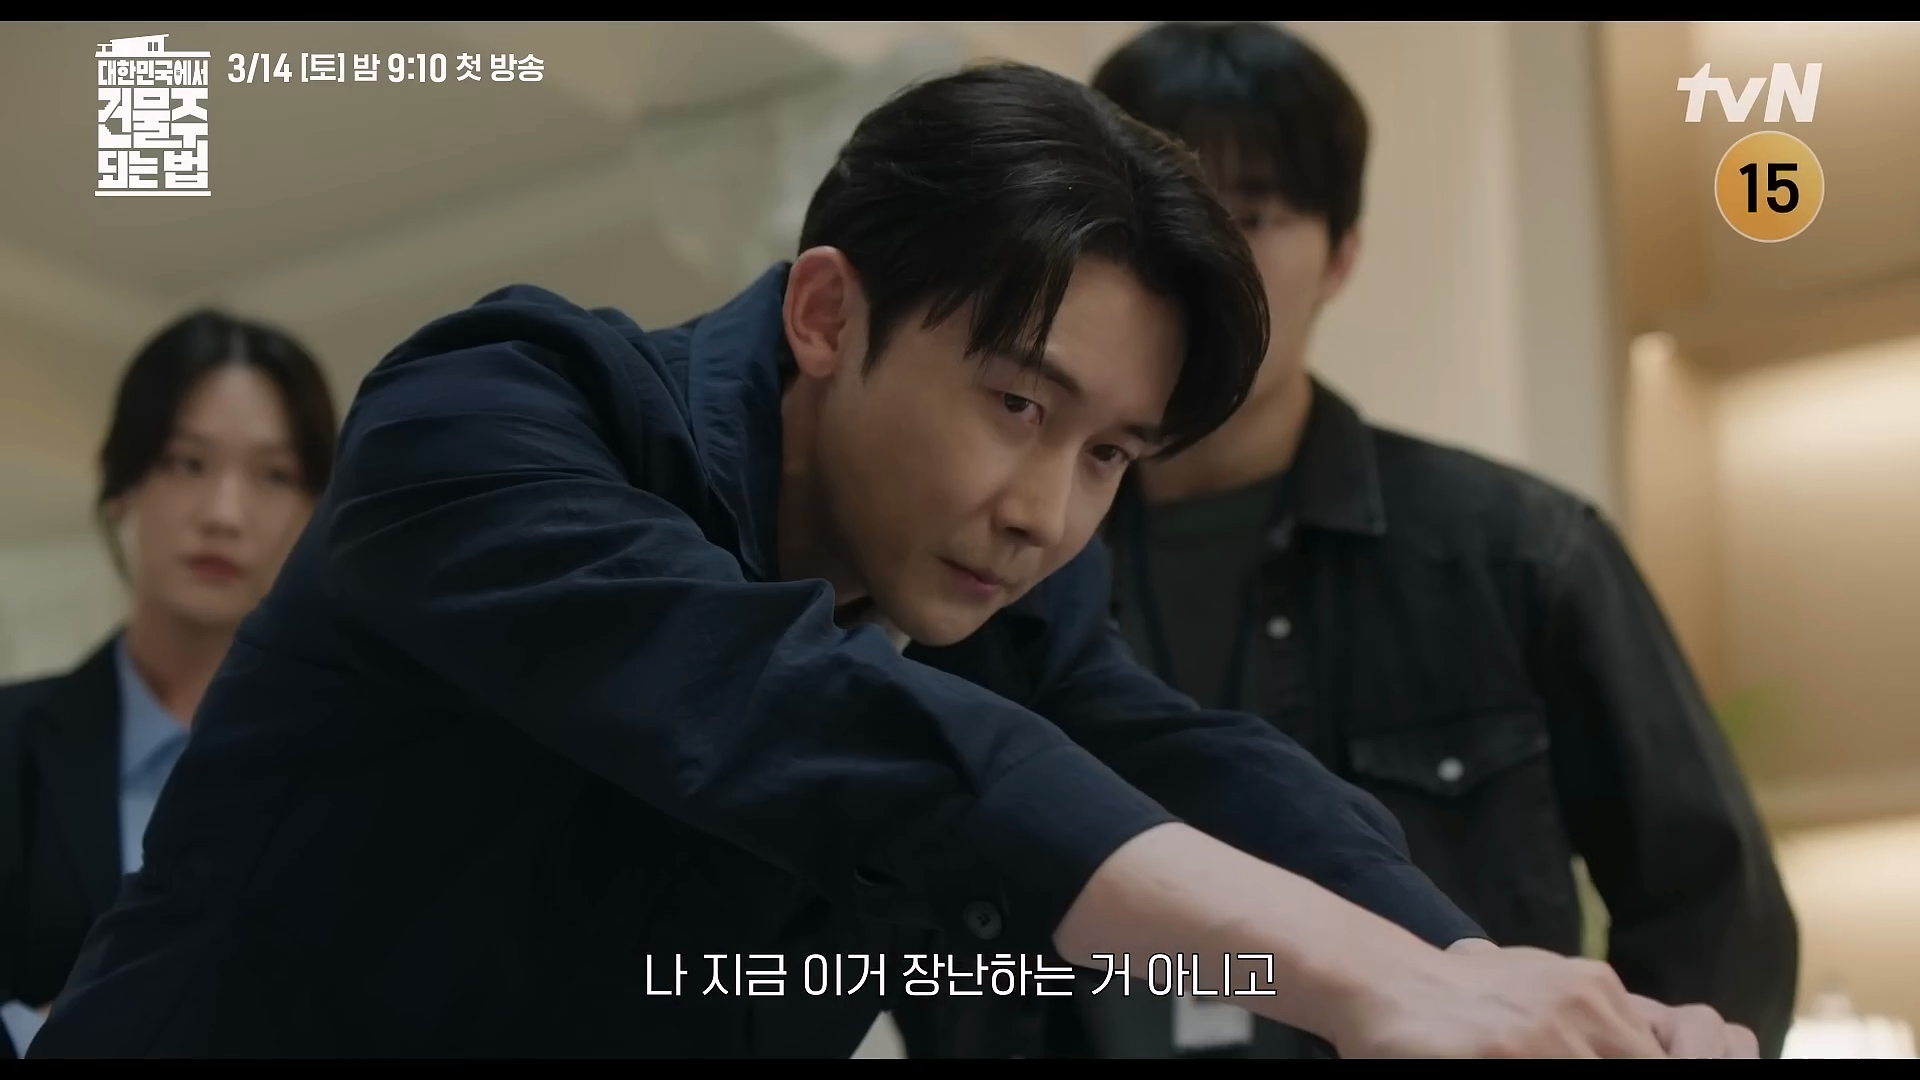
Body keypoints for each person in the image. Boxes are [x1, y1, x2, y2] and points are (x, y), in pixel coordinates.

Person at [29, 61, 1754, 1059]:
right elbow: (813, 721)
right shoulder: (495, 420)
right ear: (827, 312)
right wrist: (1373, 986)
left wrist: (1480, 978)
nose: (1047, 510)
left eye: (1108, 453)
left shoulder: (1006, 590)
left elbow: (1190, 763)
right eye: (1018, 403)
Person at [899, 23, 1798, 1061]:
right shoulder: (1005, 555)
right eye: (1160, 218)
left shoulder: (1518, 553)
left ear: (1342, 254)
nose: (1203, 257)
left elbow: (1713, 911)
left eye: (1253, 216)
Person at [0, 311, 338, 1058]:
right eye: (188, 463)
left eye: (275, 475)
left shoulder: (356, 767)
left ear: (314, 513)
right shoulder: (11, 743)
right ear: (122, 483)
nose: (223, 515)